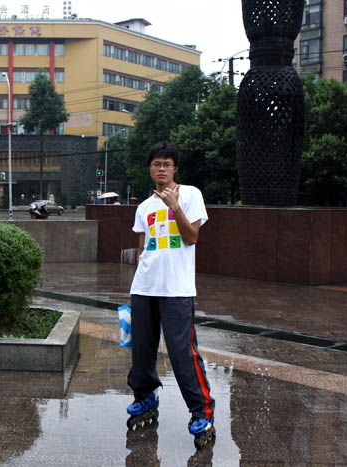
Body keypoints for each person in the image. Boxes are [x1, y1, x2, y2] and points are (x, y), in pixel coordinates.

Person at [125, 141, 215, 449]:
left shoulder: (190, 195)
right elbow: (142, 247)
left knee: (182, 354)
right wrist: (139, 277)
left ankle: (201, 412)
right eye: (156, 164)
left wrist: (175, 206)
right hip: (144, 288)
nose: (161, 169)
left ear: (175, 168)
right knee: (141, 350)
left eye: (167, 164)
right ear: (149, 169)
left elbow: (191, 238)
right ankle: (145, 398)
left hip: (176, 290)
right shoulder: (143, 207)